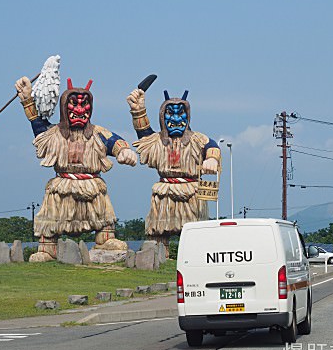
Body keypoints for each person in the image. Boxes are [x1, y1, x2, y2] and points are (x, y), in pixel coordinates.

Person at [16, 76, 137, 262]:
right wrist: (27, 99)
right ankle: (48, 248)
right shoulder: (54, 133)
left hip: (92, 185)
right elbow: (38, 125)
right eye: (74, 104)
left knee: (103, 215)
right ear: (64, 107)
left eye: (85, 105)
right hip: (62, 185)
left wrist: (124, 151)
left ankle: (105, 239)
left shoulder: (97, 132)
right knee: (52, 218)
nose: (80, 110)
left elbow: (114, 141)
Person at [126, 87, 220, 256]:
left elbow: (212, 146)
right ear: (162, 116)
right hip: (164, 193)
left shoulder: (198, 139)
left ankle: (196, 259)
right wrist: (138, 110)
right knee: (158, 233)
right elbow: (145, 137)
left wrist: (212, 159)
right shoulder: (157, 141)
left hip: (192, 193)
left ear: (188, 115)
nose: (176, 119)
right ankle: (156, 259)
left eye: (181, 113)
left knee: (196, 236)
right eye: (170, 114)